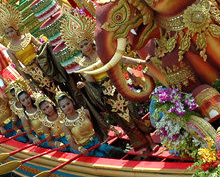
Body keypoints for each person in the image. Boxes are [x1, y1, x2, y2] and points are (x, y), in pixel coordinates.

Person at [64, 10, 153, 151]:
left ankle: (151, 142)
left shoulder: (102, 50)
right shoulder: (83, 64)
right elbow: (92, 84)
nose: (85, 47)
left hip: (119, 85)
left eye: (86, 43)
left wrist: (140, 61)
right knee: (124, 122)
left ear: (90, 41)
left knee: (133, 114)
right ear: (78, 48)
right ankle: (142, 146)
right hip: (108, 96)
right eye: (81, 46)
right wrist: (84, 85)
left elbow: (120, 58)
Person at [59, 92, 124, 157]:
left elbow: (100, 122)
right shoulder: (65, 125)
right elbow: (72, 144)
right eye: (64, 106)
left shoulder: (85, 112)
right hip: (86, 147)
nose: (67, 107)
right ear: (61, 109)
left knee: (107, 149)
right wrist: (81, 149)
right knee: (101, 156)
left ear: (72, 102)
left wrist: (115, 130)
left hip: (97, 140)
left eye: (68, 103)